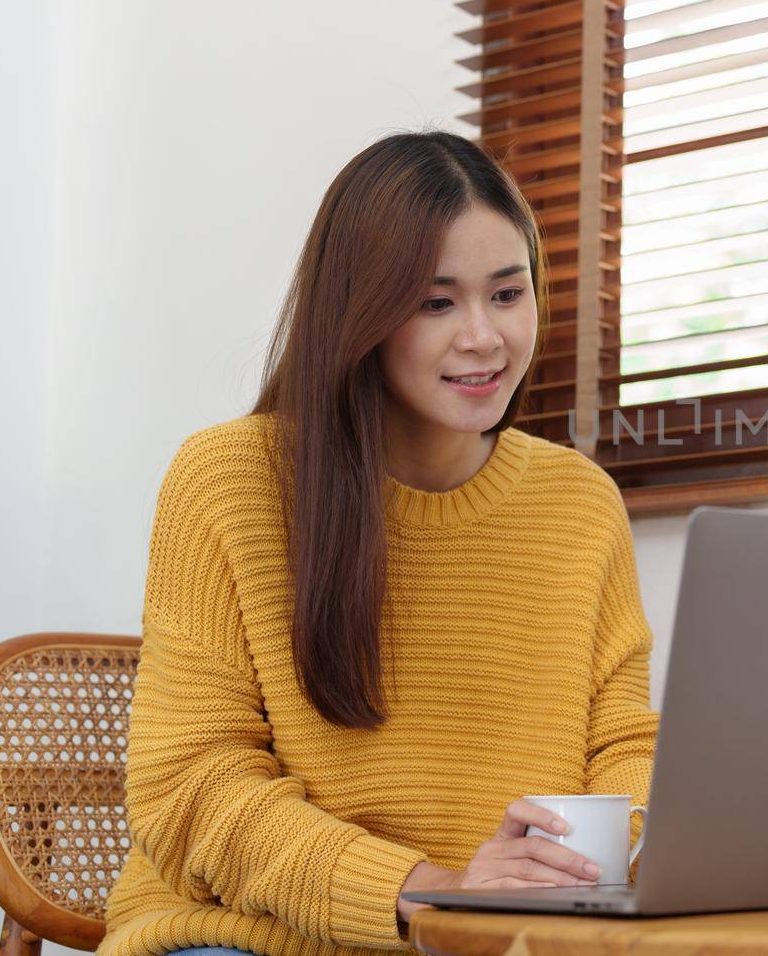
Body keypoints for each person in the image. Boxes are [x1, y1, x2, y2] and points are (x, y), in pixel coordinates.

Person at [97, 132, 658, 956]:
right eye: (435, 303)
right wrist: (432, 889)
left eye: (508, 294)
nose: (484, 336)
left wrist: (587, 871)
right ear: (357, 310)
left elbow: (625, 746)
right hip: (248, 939)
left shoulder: (580, 502)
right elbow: (193, 788)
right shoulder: (228, 480)